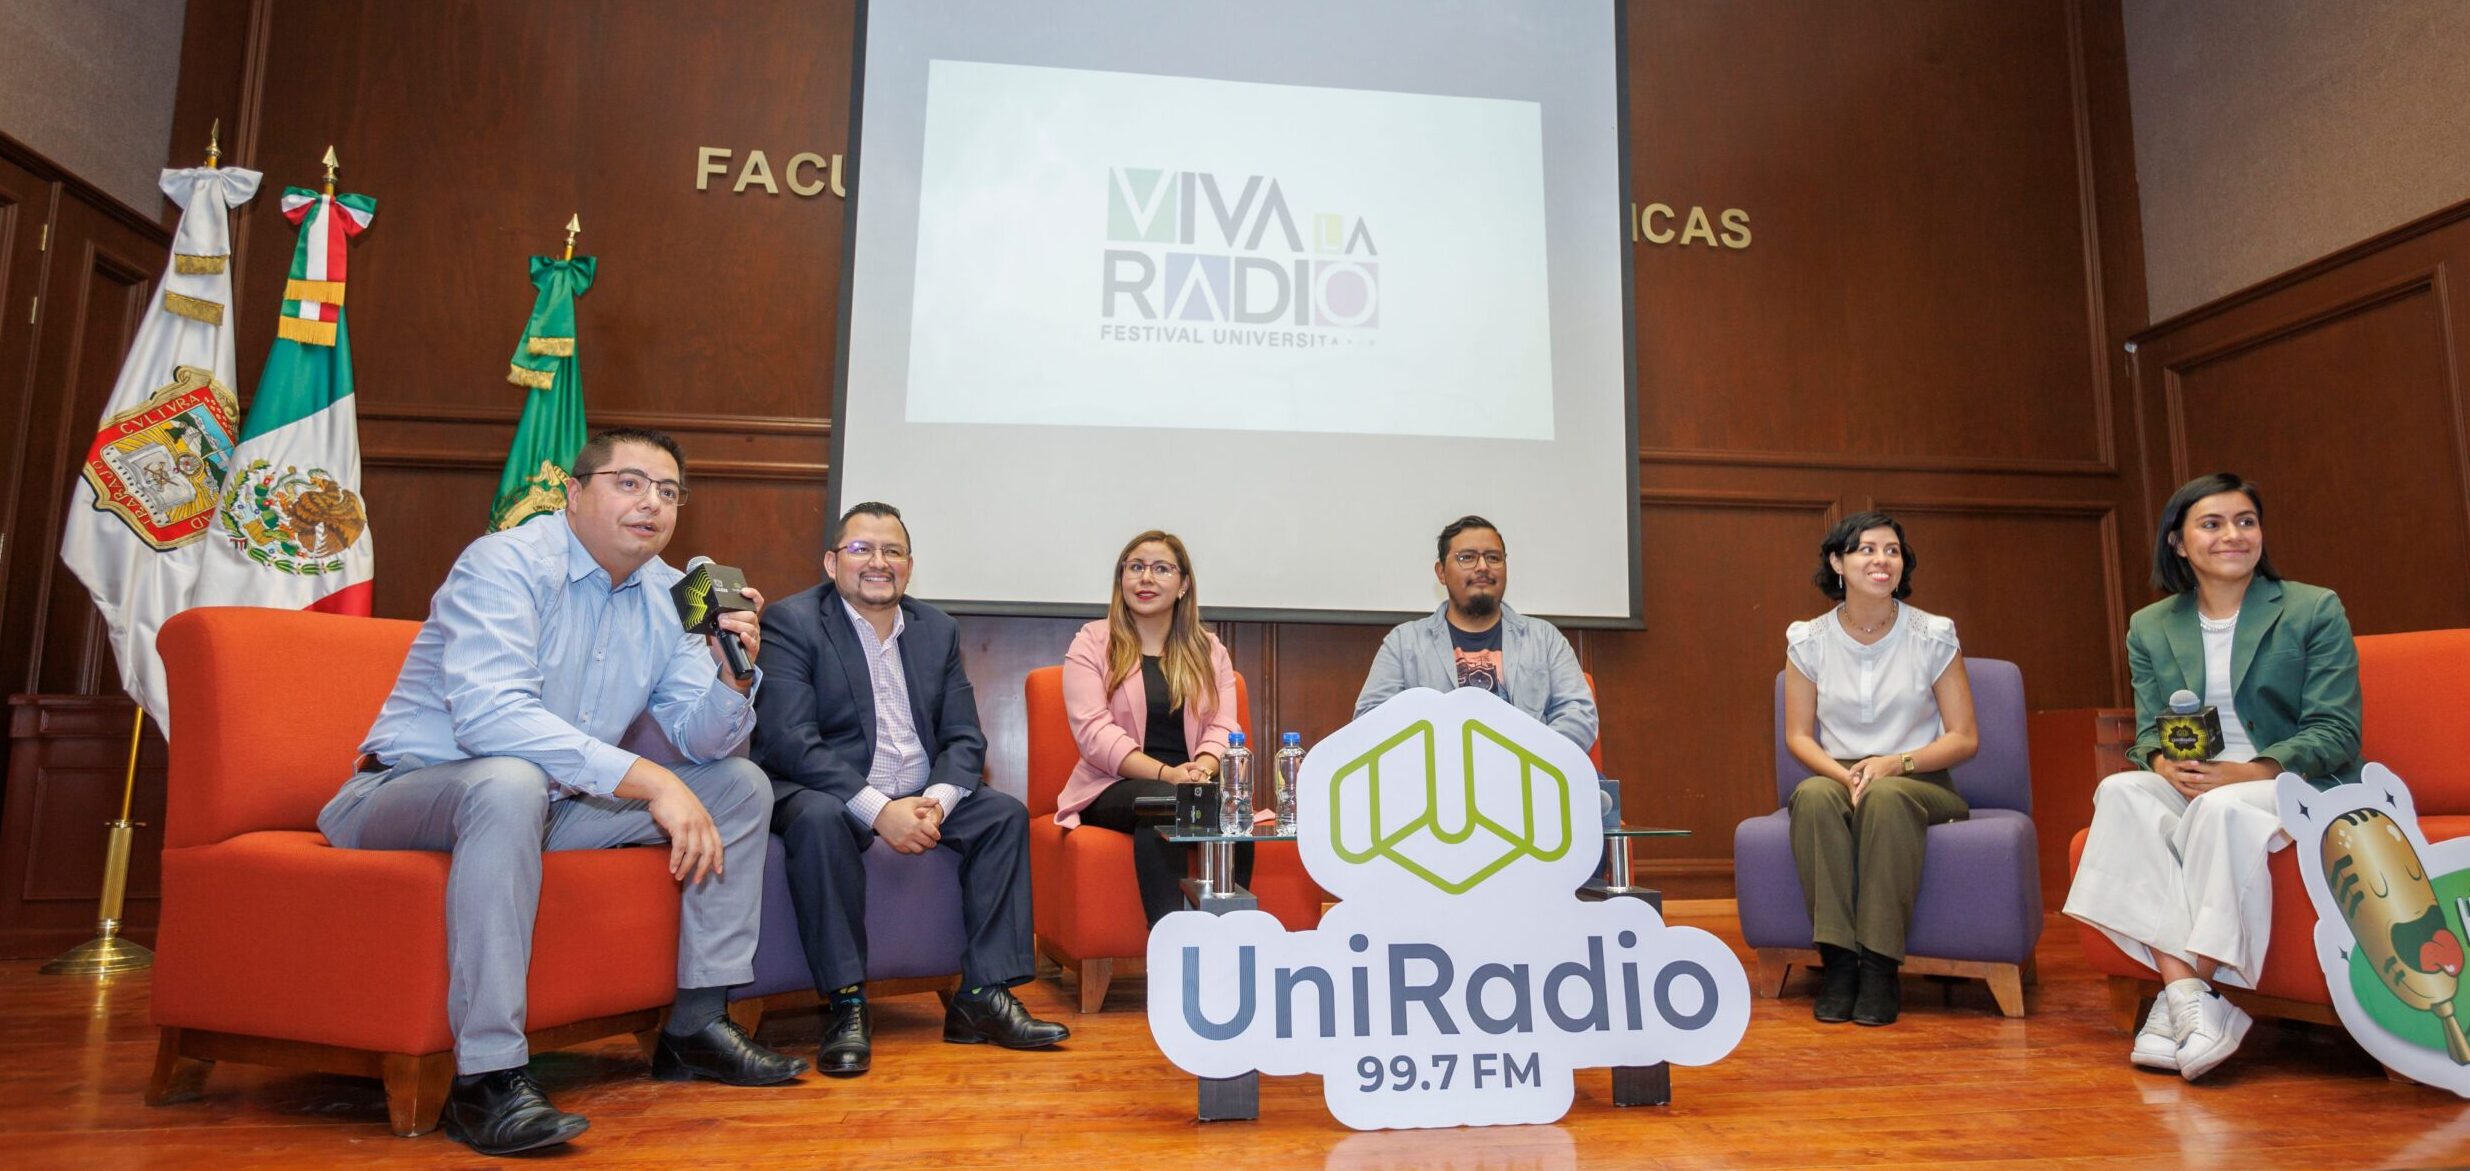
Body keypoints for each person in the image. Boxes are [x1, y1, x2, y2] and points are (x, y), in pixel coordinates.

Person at [317, 427, 805, 1157]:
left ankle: (697, 1025)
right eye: (631, 483)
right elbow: (490, 717)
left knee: (738, 785)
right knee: (508, 781)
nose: (653, 504)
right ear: (575, 494)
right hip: (407, 792)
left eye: (669, 492)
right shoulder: (503, 564)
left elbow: (702, 739)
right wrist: (649, 781)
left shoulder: (670, 596)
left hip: (547, 807)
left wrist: (732, 671)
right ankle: (487, 1077)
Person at [750, 502, 1067, 1078]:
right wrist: (879, 812)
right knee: (819, 818)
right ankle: (846, 1003)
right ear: (831, 562)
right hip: (825, 789)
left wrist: (936, 804)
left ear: (910, 565)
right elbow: (790, 741)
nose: (878, 562)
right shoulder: (793, 623)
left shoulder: (935, 629)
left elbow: (965, 738)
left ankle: (981, 996)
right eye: (861, 549)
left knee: (1003, 815)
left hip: (918, 790)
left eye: (892, 551)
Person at [2065, 472, 2361, 1081]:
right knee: (2118, 791)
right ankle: (2190, 1000)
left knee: (2221, 809)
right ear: (2178, 543)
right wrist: (2160, 763)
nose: (2233, 534)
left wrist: (2246, 772)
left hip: (2289, 784)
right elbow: (2148, 730)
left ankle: (2180, 1001)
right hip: (2195, 781)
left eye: (2245, 521)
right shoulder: (2151, 625)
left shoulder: (2312, 607)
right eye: (2213, 523)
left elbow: (2336, 731)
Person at [1781, 512, 1978, 1027]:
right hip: (1837, 772)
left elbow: (1964, 738)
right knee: (1813, 798)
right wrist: (1843, 775)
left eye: (1892, 550)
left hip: (1919, 778)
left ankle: (1879, 965)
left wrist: (1896, 763)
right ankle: (1838, 962)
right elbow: (1799, 736)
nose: (1881, 560)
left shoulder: (1933, 634)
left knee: (1886, 797)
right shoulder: (1808, 640)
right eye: (1866, 549)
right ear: (1837, 562)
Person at [1052, 531, 1249, 926]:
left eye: (1161, 569)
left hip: (1191, 778)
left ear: (1183, 585)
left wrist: (1204, 769)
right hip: (1111, 783)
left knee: (1232, 808)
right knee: (1165, 802)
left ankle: (1231, 939)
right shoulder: (1092, 642)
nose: (1146, 578)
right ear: (1121, 579)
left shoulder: (1209, 650)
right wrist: (1166, 775)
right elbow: (1094, 734)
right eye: (1136, 568)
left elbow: (1225, 727)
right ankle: (1172, 948)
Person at [1354, 515, 1597, 752]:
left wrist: (1525, 760)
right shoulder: (1404, 643)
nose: (1483, 567)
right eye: (1467, 557)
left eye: (1493, 557)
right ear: (1441, 572)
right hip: (1436, 784)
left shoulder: (1544, 639)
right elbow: (1370, 720)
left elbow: (1579, 715)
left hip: (1528, 781)